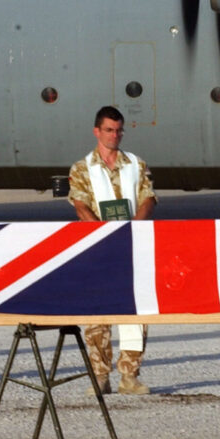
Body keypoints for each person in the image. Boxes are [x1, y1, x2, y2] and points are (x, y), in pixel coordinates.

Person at [68, 106, 157, 395]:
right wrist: (103, 235)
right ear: (97, 131)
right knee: (97, 312)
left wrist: (132, 230)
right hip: (97, 249)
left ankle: (129, 376)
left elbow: (148, 198)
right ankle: (99, 376)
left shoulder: (136, 164)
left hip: (131, 245)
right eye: (108, 130)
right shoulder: (82, 168)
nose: (114, 135)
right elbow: (80, 205)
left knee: (135, 311)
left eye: (118, 130)